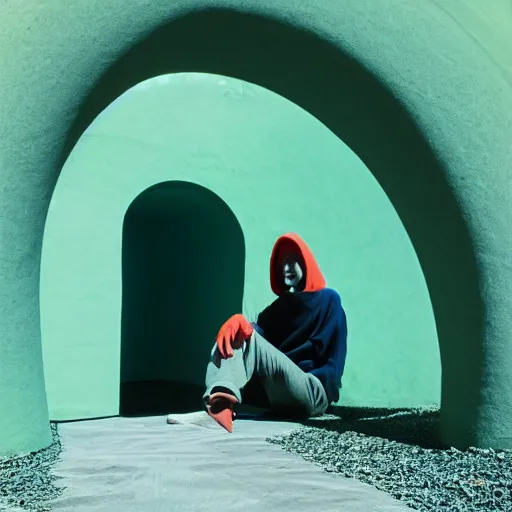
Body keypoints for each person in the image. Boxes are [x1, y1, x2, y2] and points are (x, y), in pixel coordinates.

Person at [200, 233, 348, 433]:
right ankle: (218, 403)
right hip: (280, 394)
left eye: (294, 260)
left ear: (306, 263)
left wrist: (327, 393)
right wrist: (237, 323)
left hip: (314, 391)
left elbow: (335, 356)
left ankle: (219, 406)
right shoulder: (278, 308)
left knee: (244, 332)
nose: (287, 267)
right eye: (283, 263)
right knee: (233, 331)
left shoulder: (329, 300)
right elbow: (254, 334)